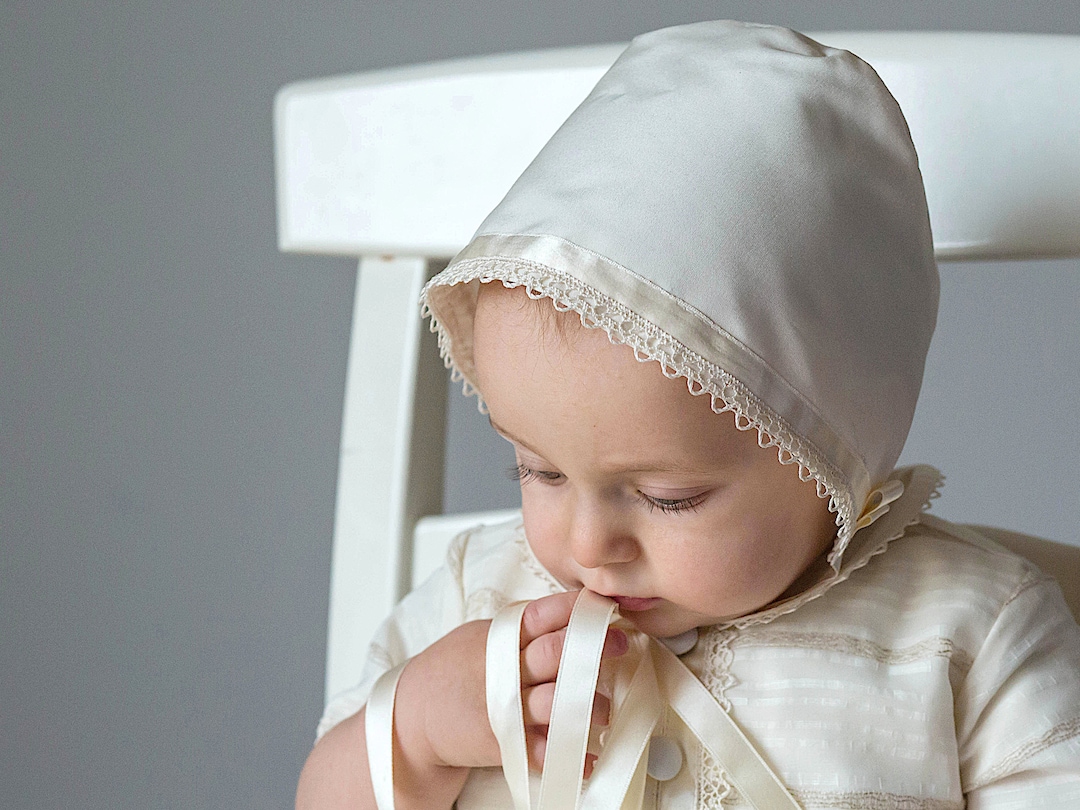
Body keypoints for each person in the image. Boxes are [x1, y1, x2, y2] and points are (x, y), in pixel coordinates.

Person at [295, 20, 1080, 809]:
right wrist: (415, 736)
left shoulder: (968, 634)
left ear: (826, 455)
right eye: (537, 469)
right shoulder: (476, 603)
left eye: (669, 496)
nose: (587, 543)